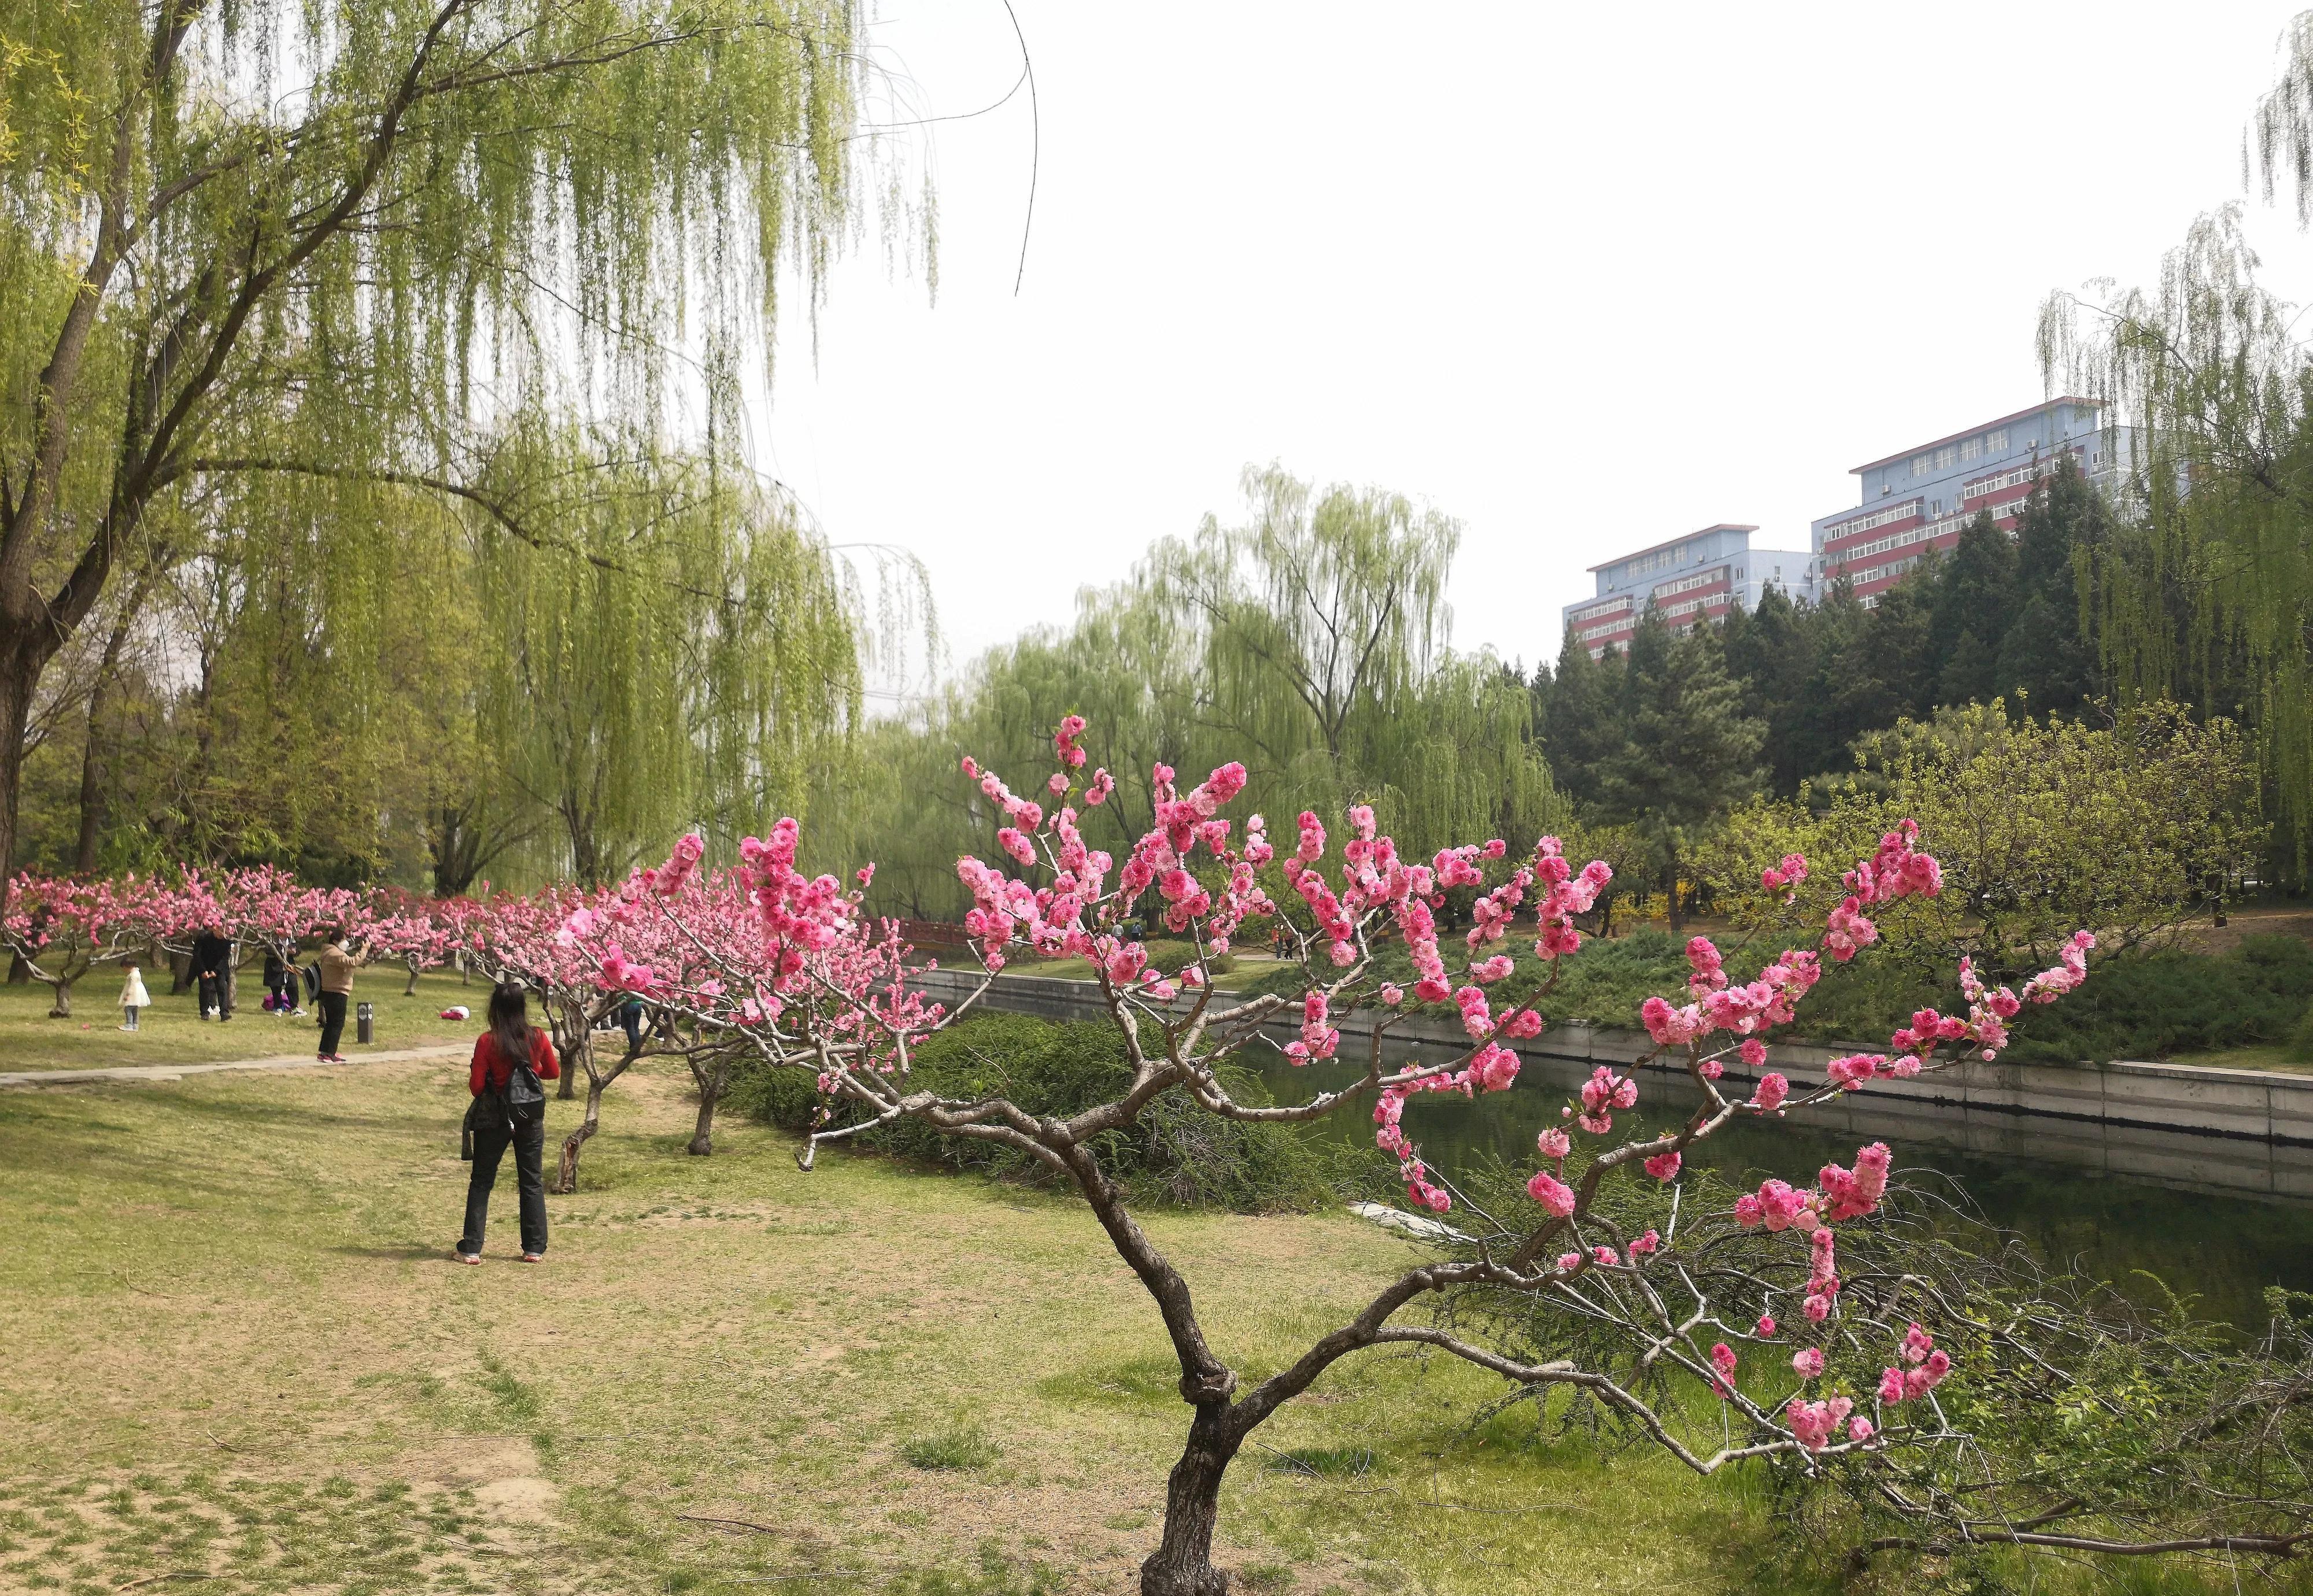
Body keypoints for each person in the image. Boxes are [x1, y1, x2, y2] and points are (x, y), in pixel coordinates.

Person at [457, 982, 559, 1264]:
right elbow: (552, 1072)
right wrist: (529, 1072)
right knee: (531, 1180)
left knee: (481, 1181)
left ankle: (472, 1247)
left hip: (495, 1117)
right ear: (522, 1007)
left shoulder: (487, 1041)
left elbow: (477, 1088)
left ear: (495, 1009)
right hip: (529, 1117)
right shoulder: (537, 1036)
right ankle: (534, 1247)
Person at [314, 928, 354, 1062]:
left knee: (332, 1023)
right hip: (336, 992)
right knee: (337, 1023)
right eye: (344, 940)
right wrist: (365, 949)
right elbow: (351, 962)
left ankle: (325, 1052)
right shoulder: (334, 953)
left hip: (331, 991)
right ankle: (329, 1053)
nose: (346, 943)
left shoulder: (330, 952)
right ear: (336, 941)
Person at [191, 926, 234, 1021]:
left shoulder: (227, 941)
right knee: (205, 989)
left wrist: (216, 971)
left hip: (219, 967)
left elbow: (225, 957)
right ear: (215, 929)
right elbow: (197, 955)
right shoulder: (203, 938)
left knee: (222, 988)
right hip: (204, 966)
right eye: (221, 931)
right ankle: (204, 1013)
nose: (223, 934)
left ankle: (224, 1013)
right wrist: (203, 970)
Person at [119, 962, 149, 1032]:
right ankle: (135, 1025)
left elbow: (132, 986)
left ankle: (129, 1025)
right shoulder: (137, 972)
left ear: (128, 966)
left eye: (124, 968)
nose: (124, 970)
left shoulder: (133, 975)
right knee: (135, 1009)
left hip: (133, 994)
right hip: (137, 994)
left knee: (128, 1009)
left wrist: (128, 995)